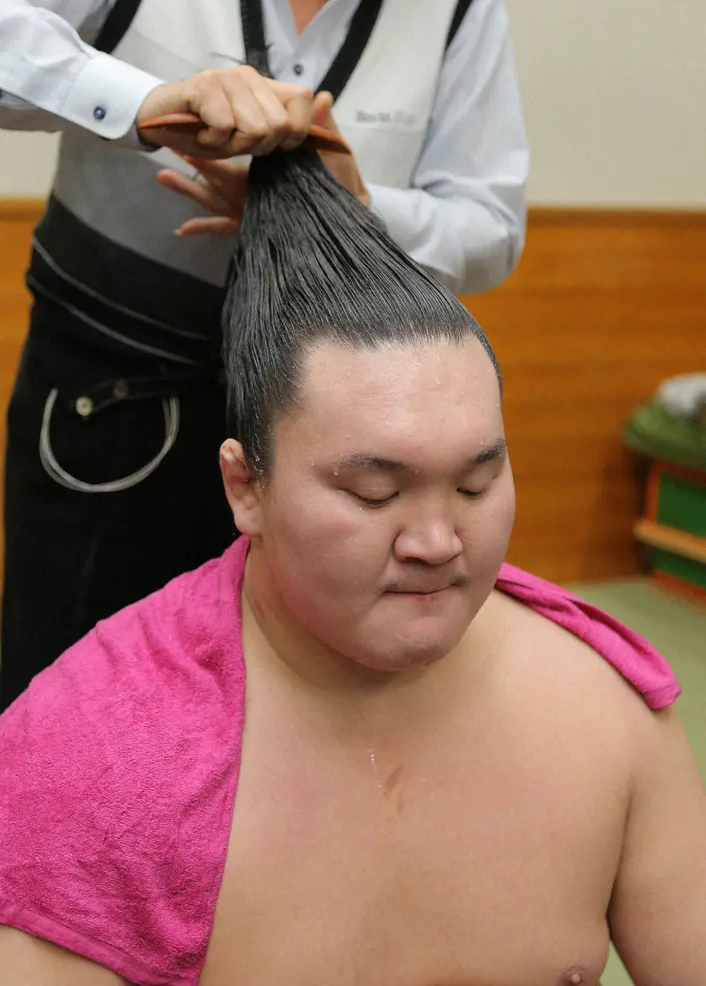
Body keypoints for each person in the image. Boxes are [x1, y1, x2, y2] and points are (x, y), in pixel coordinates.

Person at [0, 146, 703, 986]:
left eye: (476, 484)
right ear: (245, 487)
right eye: (375, 493)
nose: (437, 540)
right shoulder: (90, 754)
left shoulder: (606, 703)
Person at [0, 0, 529, 709]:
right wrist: (145, 103)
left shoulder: (459, 4)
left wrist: (359, 209)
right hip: (109, 400)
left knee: (287, 701)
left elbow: (492, 225)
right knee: (70, 686)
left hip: (331, 433)